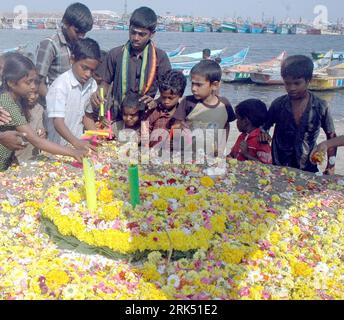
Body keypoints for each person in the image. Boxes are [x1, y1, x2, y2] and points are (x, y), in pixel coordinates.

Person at [0, 53, 86, 171]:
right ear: (11, 83)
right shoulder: (8, 103)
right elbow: (37, 141)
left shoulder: (16, 100)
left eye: (35, 82)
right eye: (28, 82)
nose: (34, 87)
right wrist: (73, 152)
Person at [91, 6, 171, 121]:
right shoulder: (115, 54)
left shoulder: (161, 57)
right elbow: (104, 83)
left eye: (142, 34)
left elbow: (168, 91)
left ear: (152, 34)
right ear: (129, 28)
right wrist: (99, 93)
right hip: (118, 117)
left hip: (146, 117)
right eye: (133, 32)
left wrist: (156, 101)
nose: (136, 38)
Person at [261, 55, 337, 174]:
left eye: (297, 83)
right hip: (279, 167)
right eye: (287, 83)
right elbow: (264, 127)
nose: (291, 88)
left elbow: (331, 136)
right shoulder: (278, 104)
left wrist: (330, 165)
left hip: (308, 167)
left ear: (308, 81)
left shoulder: (321, 106)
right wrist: (264, 134)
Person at [46, 38, 100, 151]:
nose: (88, 74)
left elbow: (86, 116)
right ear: (72, 59)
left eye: (92, 70)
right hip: (58, 146)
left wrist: (96, 138)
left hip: (78, 144)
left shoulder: (91, 84)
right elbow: (58, 122)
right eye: (84, 68)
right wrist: (76, 142)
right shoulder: (60, 86)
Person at [36, 2, 93, 104]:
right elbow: (38, 82)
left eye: (84, 33)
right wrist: (57, 102)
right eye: (77, 32)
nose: (81, 36)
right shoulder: (50, 44)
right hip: (53, 106)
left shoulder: (79, 45)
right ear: (66, 23)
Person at [171, 60, 236, 135]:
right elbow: (176, 126)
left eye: (199, 85)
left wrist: (222, 145)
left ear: (214, 85)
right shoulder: (187, 102)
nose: (193, 88)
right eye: (192, 83)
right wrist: (180, 128)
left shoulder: (224, 104)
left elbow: (226, 125)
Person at [230, 99, 272, 164]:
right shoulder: (242, 136)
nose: (236, 122)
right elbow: (232, 155)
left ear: (246, 121)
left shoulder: (262, 140)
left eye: (238, 119)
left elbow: (267, 166)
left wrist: (246, 154)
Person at [15, 91, 46, 164]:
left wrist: (42, 133)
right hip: (14, 160)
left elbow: (40, 128)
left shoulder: (38, 108)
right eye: (29, 93)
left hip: (32, 159)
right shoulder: (13, 109)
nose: (33, 96)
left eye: (36, 92)